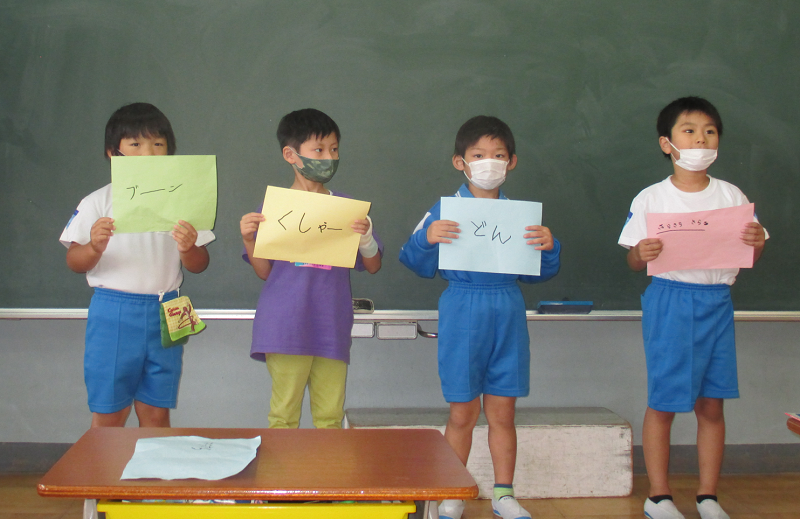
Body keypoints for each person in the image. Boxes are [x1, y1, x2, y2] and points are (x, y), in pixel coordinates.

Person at [399, 116, 561, 519]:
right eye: (479, 155)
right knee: (462, 412)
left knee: (503, 412)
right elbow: (413, 260)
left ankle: (503, 495)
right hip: (462, 308)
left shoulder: (520, 214)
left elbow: (537, 273)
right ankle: (452, 494)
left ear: (512, 162)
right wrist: (427, 239)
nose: (490, 162)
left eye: (499, 155)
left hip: (507, 308)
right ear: (460, 162)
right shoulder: (444, 209)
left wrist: (550, 247)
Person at [618, 97, 767, 519]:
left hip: (716, 301)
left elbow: (749, 254)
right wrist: (641, 253)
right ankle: (658, 496)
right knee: (664, 401)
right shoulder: (652, 197)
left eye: (709, 131)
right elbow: (633, 260)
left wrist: (757, 244)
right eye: (689, 131)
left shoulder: (731, 195)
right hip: (671, 299)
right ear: (666, 143)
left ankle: (708, 496)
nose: (701, 139)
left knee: (712, 404)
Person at [60, 102, 214, 428]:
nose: (149, 153)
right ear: (113, 154)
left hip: (168, 308)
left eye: (158, 144)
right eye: (135, 144)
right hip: (114, 311)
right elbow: (74, 261)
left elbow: (199, 264)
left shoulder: (181, 199)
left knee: (157, 412)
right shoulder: (98, 201)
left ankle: (153, 464)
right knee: (110, 412)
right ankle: (104, 464)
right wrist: (94, 247)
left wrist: (188, 247)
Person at [240, 108, 382, 429]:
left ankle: (327, 466)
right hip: (284, 324)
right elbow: (264, 272)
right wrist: (249, 239)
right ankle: (283, 466)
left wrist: (366, 238)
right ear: (291, 155)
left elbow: (373, 265)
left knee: (330, 417)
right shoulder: (274, 208)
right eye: (318, 150)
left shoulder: (346, 209)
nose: (329, 157)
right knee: (283, 416)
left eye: (334, 149)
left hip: (331, 322)